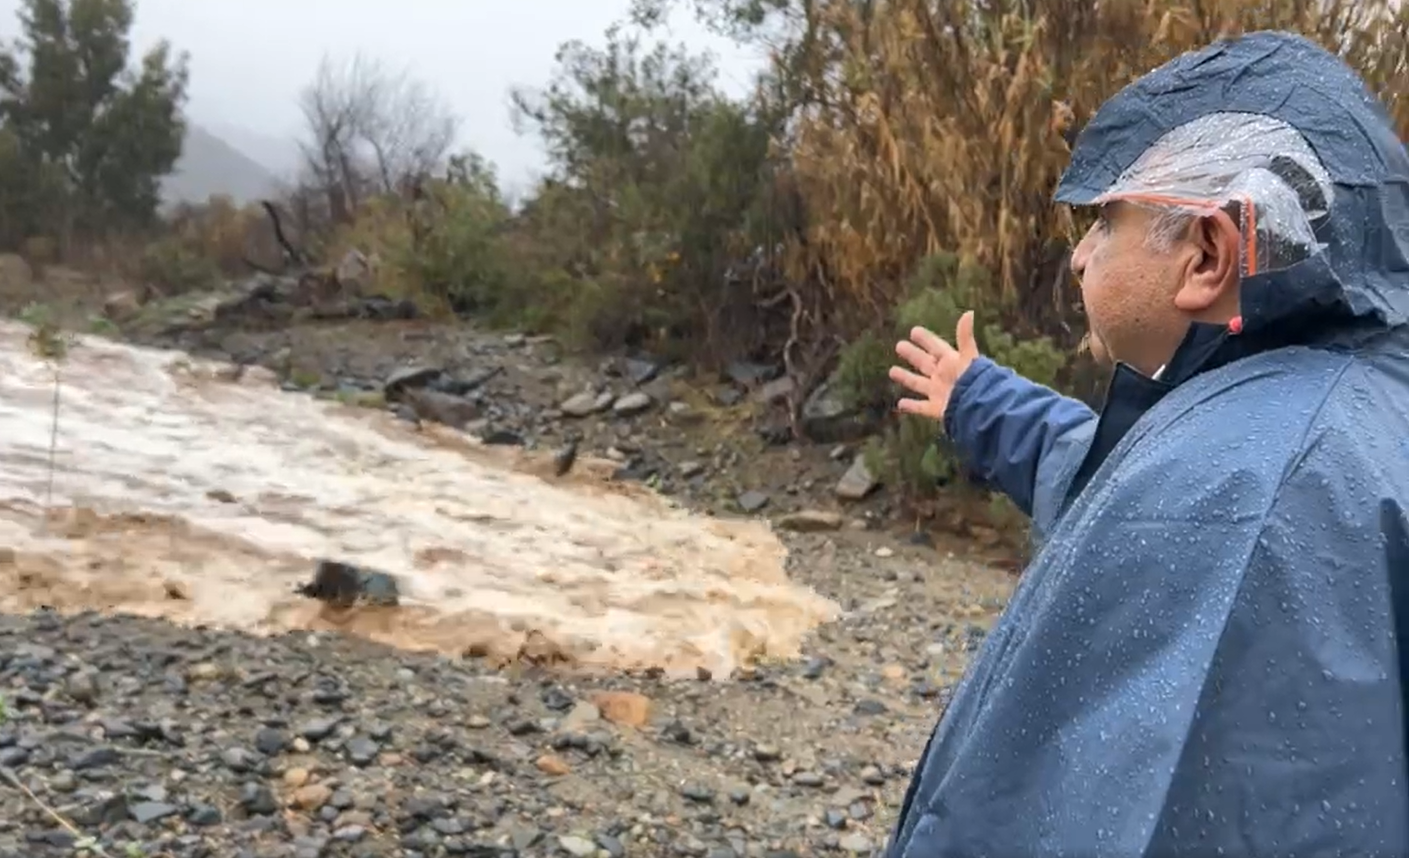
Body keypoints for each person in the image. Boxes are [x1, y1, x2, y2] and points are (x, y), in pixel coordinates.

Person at [884, 30, 1409, 858]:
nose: (1079, 258)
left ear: (1207, 253)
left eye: (1103, 221)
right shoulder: (1333, 403)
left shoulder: (1238, 496)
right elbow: (1108, 474)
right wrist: (980, 401)